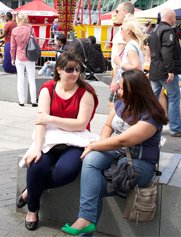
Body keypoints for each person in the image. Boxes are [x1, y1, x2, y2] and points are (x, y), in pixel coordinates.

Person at [62, 70, 168, 236]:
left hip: (139, 163)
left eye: (123, 88)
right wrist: (99, 146)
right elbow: (108, 126)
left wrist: (96, 145)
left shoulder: (151, 115)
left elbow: (123, 140)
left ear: (136, 91)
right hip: (116, 153)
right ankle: (85, 221)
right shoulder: (121, 103)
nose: (118, 90)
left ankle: (84, 225)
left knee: (94, 185)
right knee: (90, 159)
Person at [17, 51, 99, 231]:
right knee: (36, 164)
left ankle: (30, 191)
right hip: (50, 139)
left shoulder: (86, 92)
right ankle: (33, 209)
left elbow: (80, 124)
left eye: (78, 69)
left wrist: (51, 119)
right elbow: (41, 122)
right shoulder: (48, 88)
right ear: (59, 70)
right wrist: (37, 148)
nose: (75, 73)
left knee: (66, 171)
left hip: (76, 141)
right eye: (70, 69)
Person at [149, 8, 181, 137]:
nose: (175, 19)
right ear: (171, 17)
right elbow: (167, 51)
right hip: (164, 70)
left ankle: (149, 123)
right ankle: (175, 127)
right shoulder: (168, 31)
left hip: (155, 69)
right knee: (174, 96)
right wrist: (170, 70)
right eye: (174, 17)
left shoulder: (154, 30)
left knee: (153, 97)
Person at [159, 40, 181, 120]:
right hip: (172, 80)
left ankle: (179, 118)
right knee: (160, 90)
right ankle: (165, 116)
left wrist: (179, 85)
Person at [108, 2, 133, 110]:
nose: (115, 14)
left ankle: (115, 126)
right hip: (126, 74)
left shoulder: (124, 31)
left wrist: (115, 80)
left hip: (122, 75)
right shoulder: (130, 29)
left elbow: (120, 57)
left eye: (117, 11)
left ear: (125, 12)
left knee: (113, 105)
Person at [10, 12, 38, 106]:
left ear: (18, 20)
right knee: (32, 80)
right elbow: (35, 44)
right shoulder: (30, 29)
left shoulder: (14, 30)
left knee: (20, 79)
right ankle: (33, 101)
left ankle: (21, 101)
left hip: (19, 57)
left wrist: (12, 58)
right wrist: (36, 57)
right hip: (30, 57)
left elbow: (12, 46)